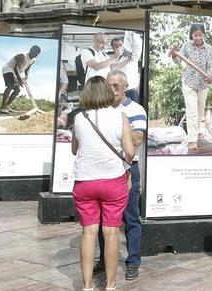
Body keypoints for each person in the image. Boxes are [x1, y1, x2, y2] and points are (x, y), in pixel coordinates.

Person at [71, 76, 135, 291]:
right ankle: (110, 285)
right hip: (113, 182)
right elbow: (130, 151)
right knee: (111, 233)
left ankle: (87, 286)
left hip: (85, 183)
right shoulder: (121, 116)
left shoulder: (79, 118)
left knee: (88, 232)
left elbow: (74, 149)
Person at [94, 70, 147, 281]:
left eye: (117, 85)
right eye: (110, 85)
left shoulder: (136, 109)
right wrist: (124, 132)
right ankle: (104, 259)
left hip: (127, 169)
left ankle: (133, 261)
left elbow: (136, 140)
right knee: (100, 220)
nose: (113, 89)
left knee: (131, 218)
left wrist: (117, 130)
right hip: (103, 168)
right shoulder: (100, 108)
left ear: (126, 86)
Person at [168, 24, 212, 150]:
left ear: (203, 34)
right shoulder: (187, 46)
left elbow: (210, 65)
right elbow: (178, 60)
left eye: (200, 35)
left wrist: (210, 76)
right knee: (192, 112)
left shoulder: (209, 48)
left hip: (203, 84)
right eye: (195, 35)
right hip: (189, 83)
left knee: (199, 112)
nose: (198, 38)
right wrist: (173, 55)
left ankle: (196, 131)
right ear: (192, 35)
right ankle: (192, 139)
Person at [0, 45, 41, 114]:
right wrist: (20, 80)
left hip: (15, 72)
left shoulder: (32, 60)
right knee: (11, 85)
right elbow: (16, 68)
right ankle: (2, 107)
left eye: (36, 54)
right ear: (30, 50)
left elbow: (27, 69)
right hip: (8, 69)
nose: (34, 54)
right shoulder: (23, 55)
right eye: (34, 52)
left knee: (17, 89)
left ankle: (7, 106)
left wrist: (26, 76)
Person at [110, 34, 143, 103]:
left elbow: (138, 42)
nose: (119, 47)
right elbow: (114, 67)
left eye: (120, 45)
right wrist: (128, 60)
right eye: (116, 46)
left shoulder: (133, 55)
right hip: (119, 91)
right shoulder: (112, 59)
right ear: (113, 48)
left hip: (132, 90)